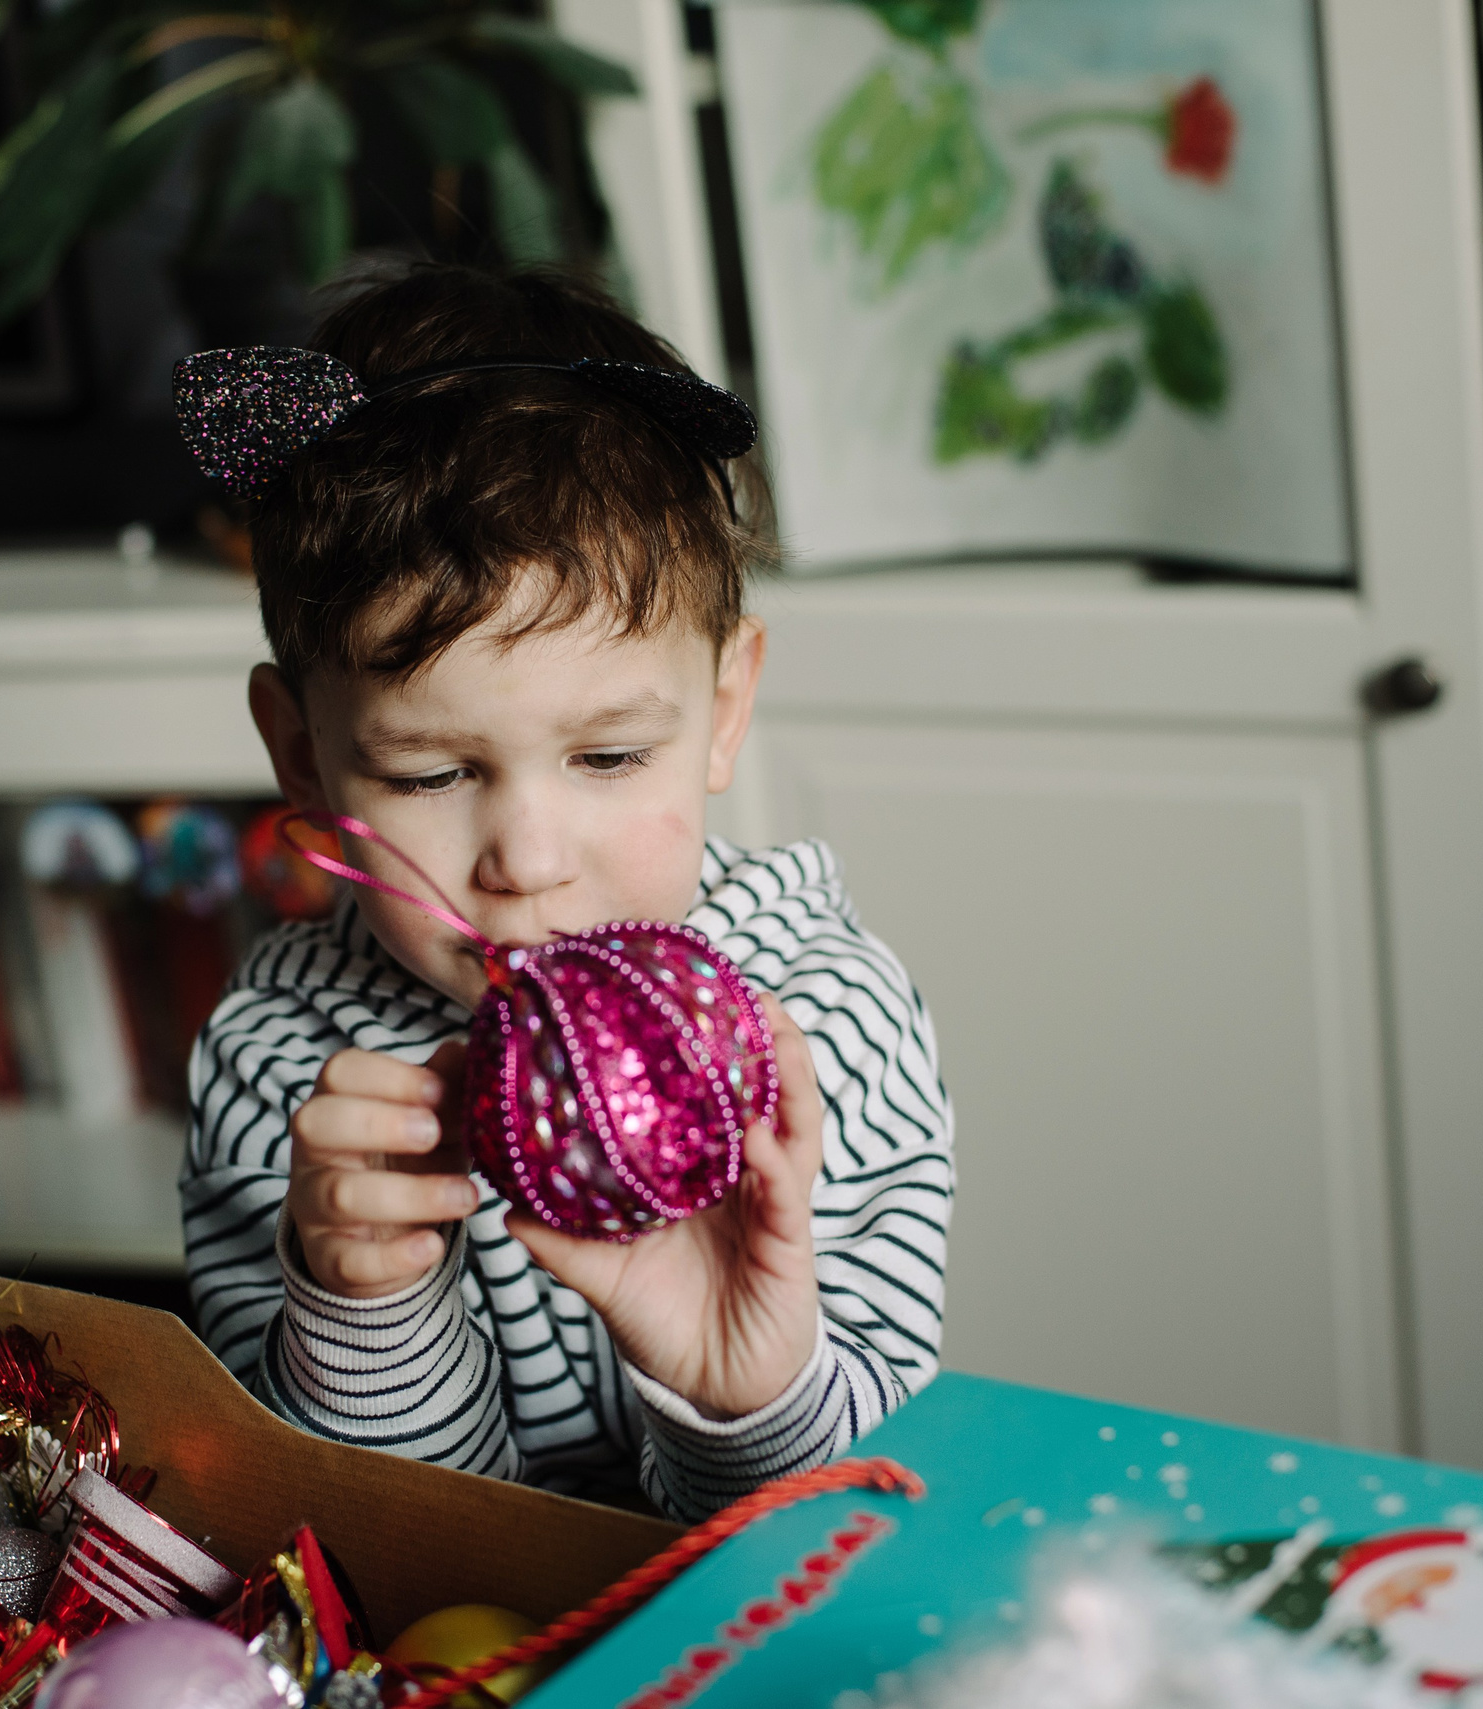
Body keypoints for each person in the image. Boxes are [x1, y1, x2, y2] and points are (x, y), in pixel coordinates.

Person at [175, 263, 953, 1521]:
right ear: (303, 756)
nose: (527, 859)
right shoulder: (282, 1070)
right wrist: (364, 1304)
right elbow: (397, 1556)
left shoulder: (815, 1024)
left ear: (725, 707)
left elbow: (847, 1527)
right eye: (432, 770)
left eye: (606, 756)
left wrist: (749, 1389)